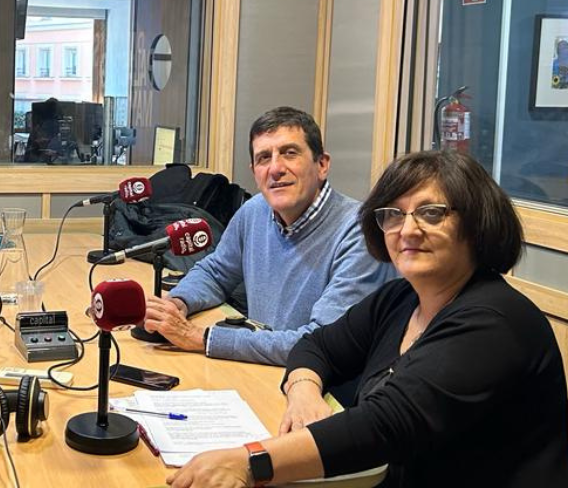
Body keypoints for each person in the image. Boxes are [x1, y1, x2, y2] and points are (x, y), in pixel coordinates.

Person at [166, 150, 568, 488]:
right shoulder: (401, 298)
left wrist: (249, 461)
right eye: (393, 215)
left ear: (475, 223)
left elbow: (385, 425)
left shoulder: (494, 322)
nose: (407, 229)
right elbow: (318, 346)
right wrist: (305, 390)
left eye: (431, 213)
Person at [142, 107, 392, 366]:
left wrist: (203, 339)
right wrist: (178, 303)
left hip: (326, 388)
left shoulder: (360, 233)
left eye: (289, 153)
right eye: (264, 158)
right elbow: (216, 272)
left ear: (322, 165)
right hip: (266, 370)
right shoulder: (254, 211)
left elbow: (322, 342)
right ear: (254, 171)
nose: (276, 168)